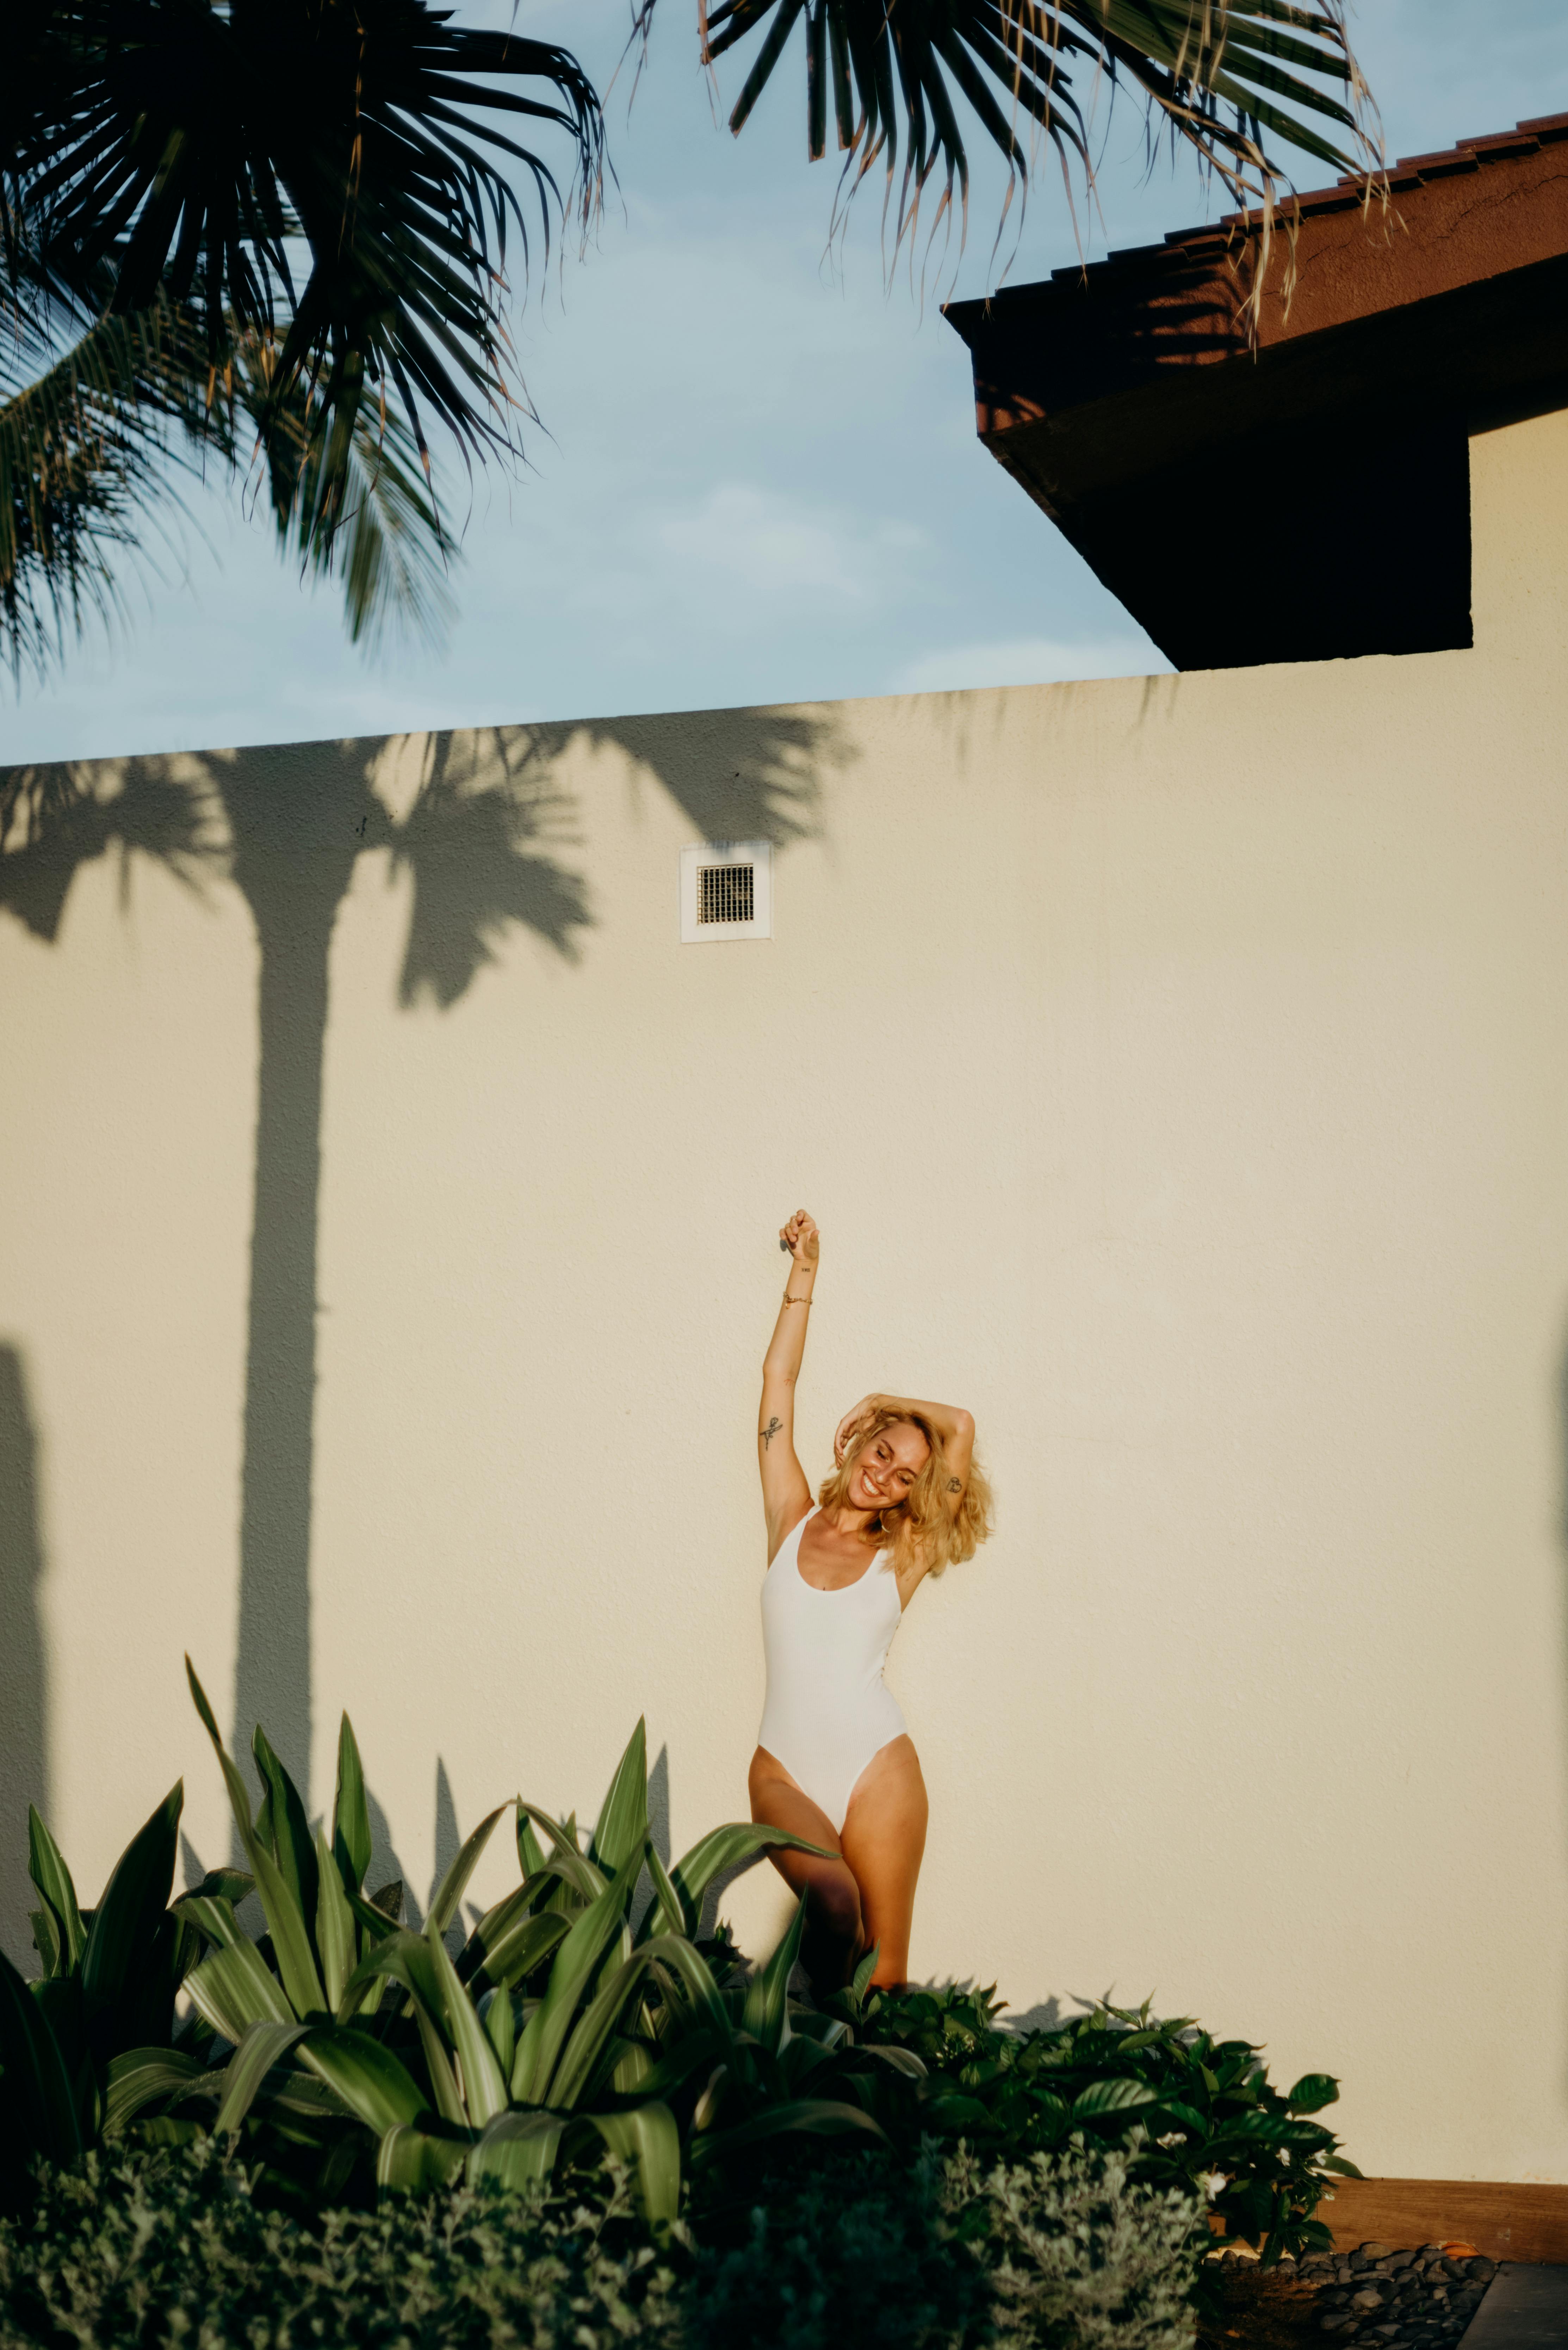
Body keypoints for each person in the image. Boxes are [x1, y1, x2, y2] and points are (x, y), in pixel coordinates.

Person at [750, 1208, 992, 1995]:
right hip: (785, 1765)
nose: (884, 1475)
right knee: (832, 1900)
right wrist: (806, 1273)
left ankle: (852, 2101)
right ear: (858, 1439)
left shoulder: (904, 1553)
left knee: (883, 1977)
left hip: (878, 1766)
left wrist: (895, 1396)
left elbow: (960, 1425)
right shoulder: (791, 1517)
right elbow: (777, 1384)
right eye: (882, 1451)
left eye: (903, 1476)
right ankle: (798, 2062)